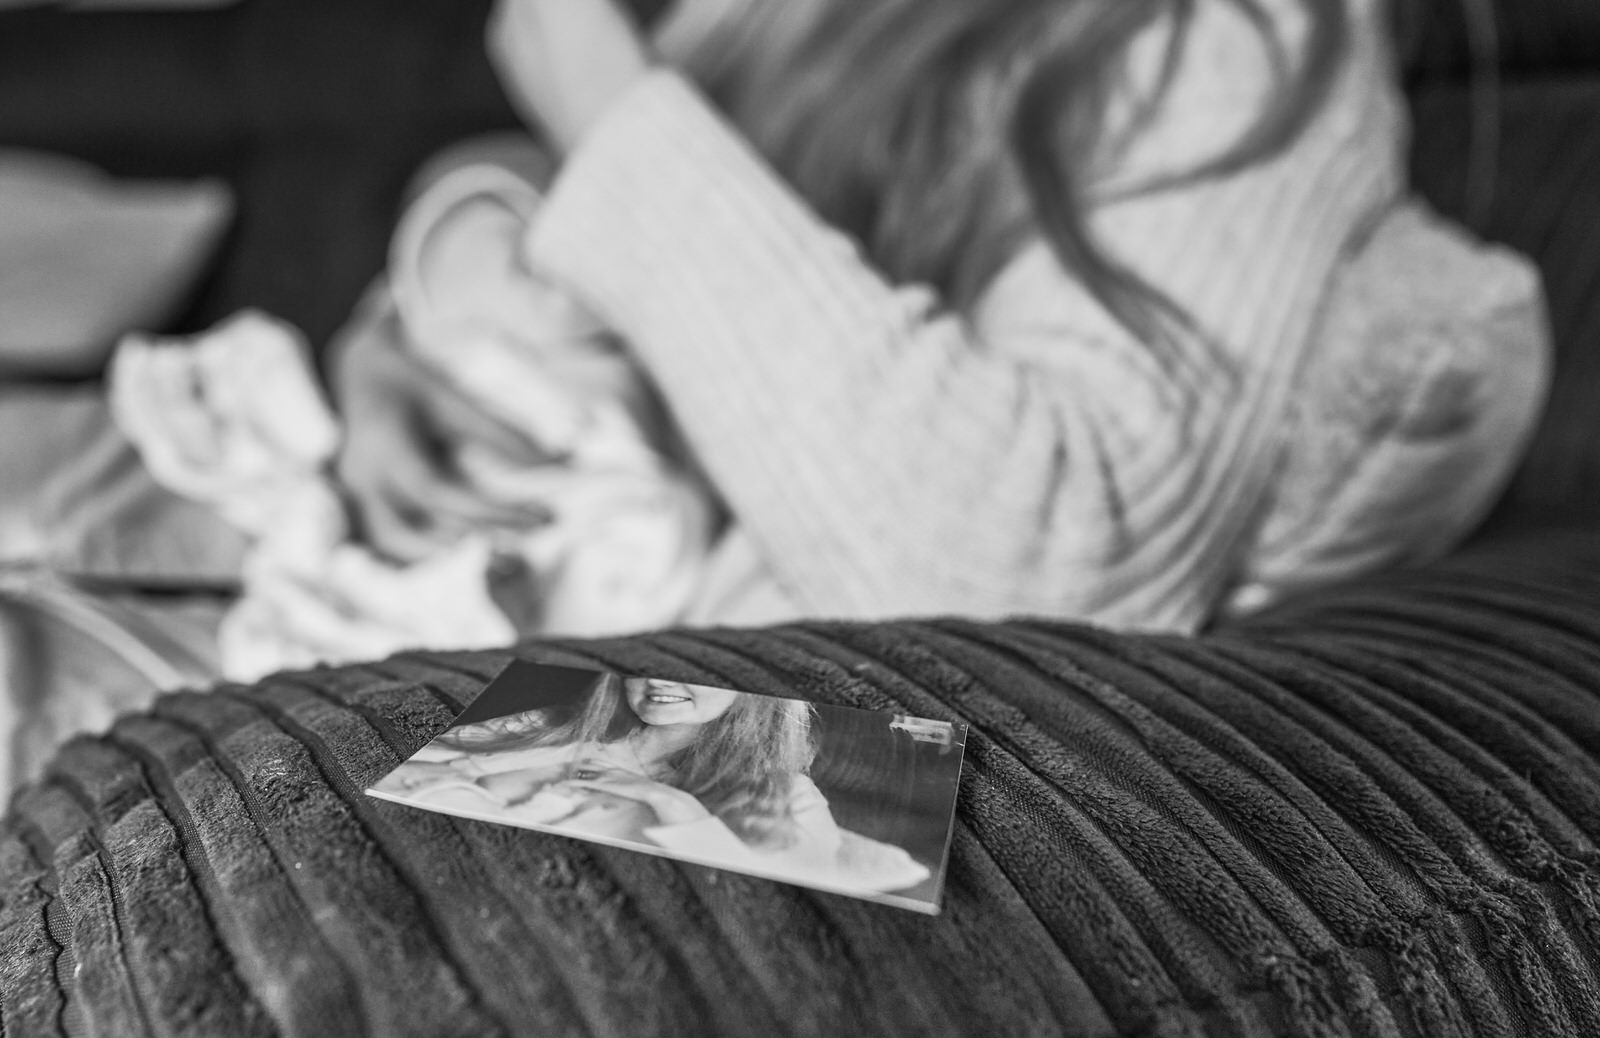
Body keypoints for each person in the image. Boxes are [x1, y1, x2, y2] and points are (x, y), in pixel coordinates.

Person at [331, 0, 1550, 633]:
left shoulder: (1232, 38)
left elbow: (1037, 573)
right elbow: (627, 244)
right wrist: (383, 351)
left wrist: (606, 101)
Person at [374, 672, 931, 893]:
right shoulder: (556, 727)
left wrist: (665, 801)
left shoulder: (779, 793)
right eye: (645, 663)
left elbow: (798, 885)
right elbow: (414, 772)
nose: (660, 679)